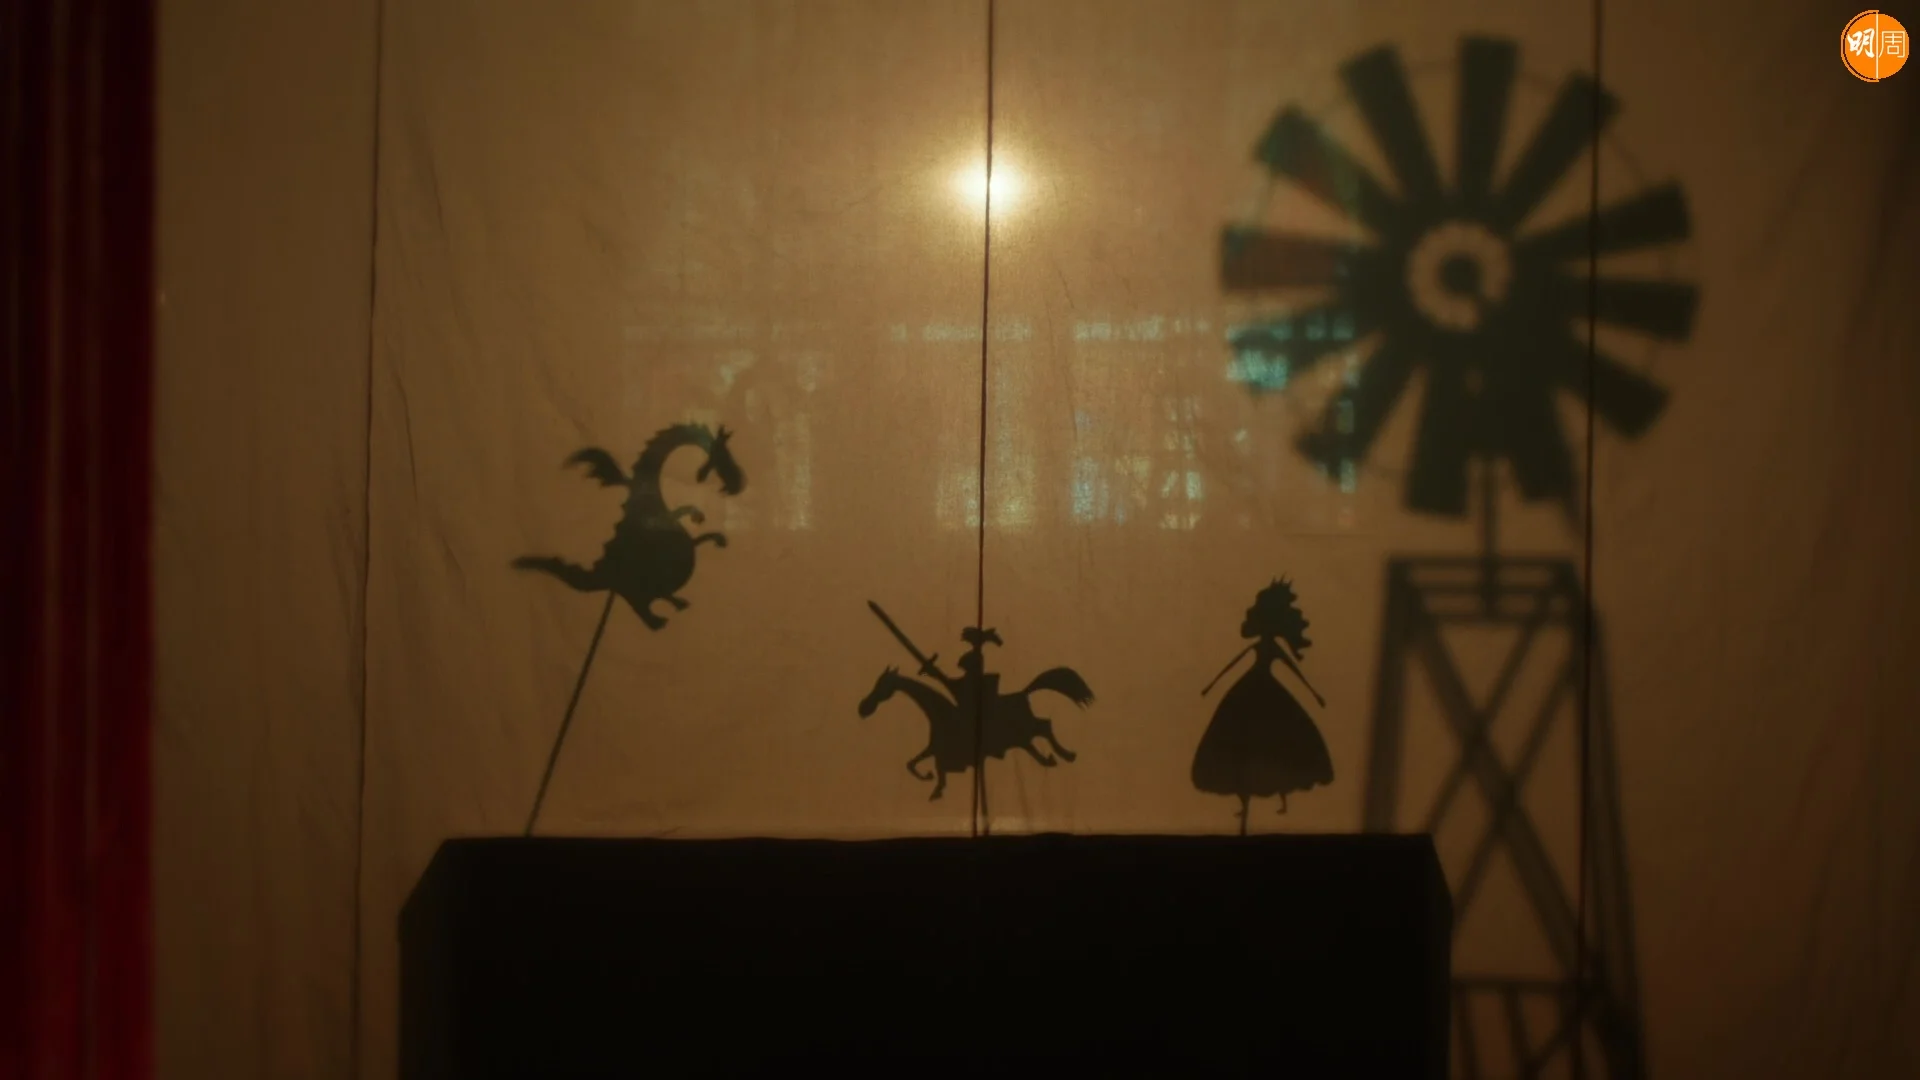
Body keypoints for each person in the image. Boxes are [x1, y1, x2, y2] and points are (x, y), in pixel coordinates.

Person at [1192, 578, 1334, 833]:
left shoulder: (1271, 647)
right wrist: (1211, 684)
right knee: (1245, 746)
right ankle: (1248, 805)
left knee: (1269, 744)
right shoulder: (1261, 646)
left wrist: (1314, 693)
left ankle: (1274, 797)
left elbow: (1292, 669)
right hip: (1254, 690)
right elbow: (1234, 664)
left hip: (1261, 692)